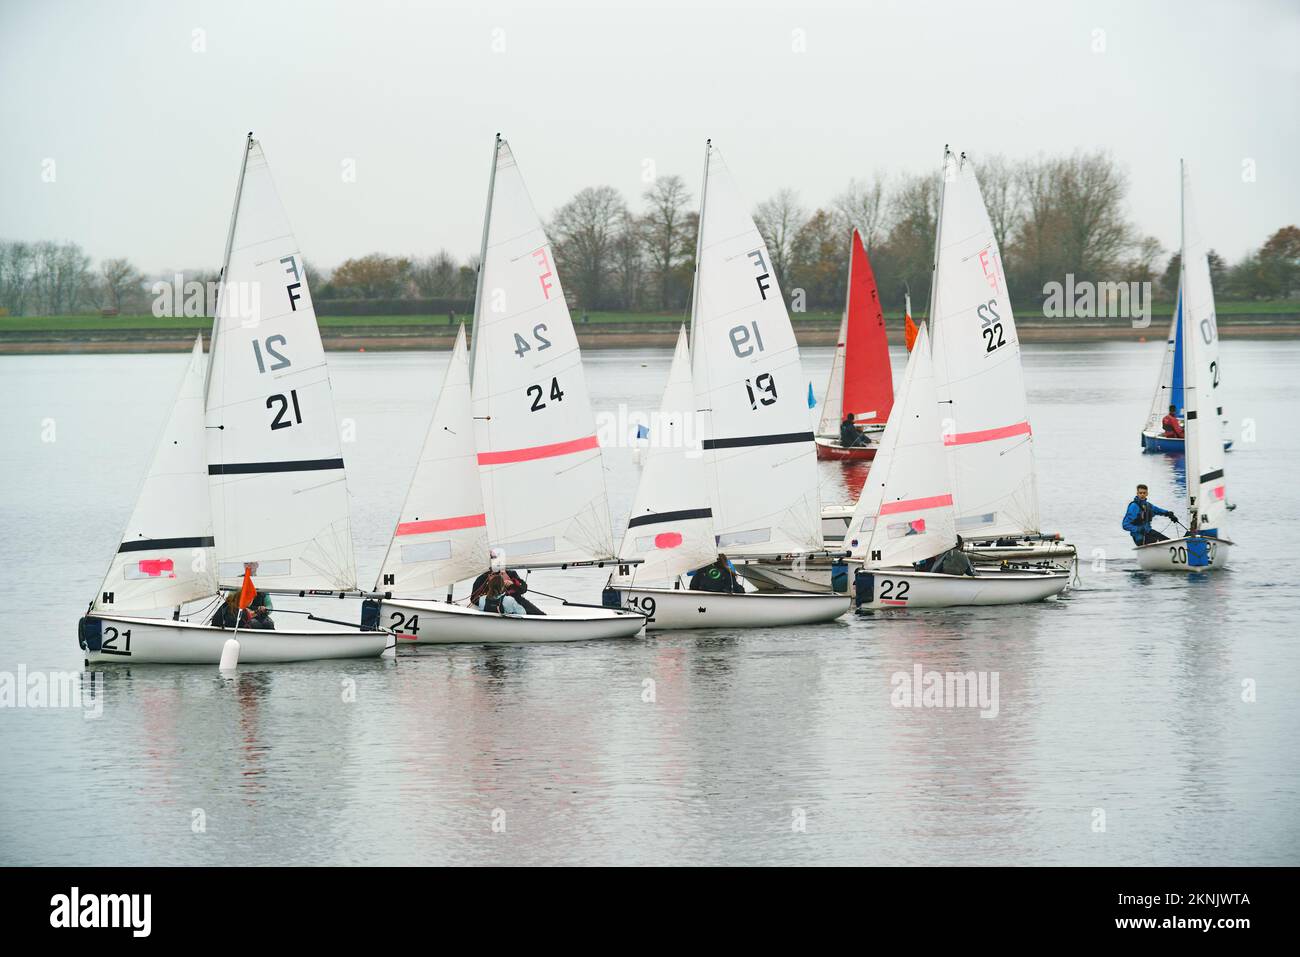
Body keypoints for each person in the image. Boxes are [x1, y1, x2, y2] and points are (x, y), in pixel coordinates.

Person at [470, 548, 543, 615]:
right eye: (492, 559)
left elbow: (523, 589)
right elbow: (473, 599)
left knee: (541, 616)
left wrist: (512, 585)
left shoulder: (510, 574)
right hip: (492, 606)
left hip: (516, 602)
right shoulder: (483, 578)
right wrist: (492, 603)